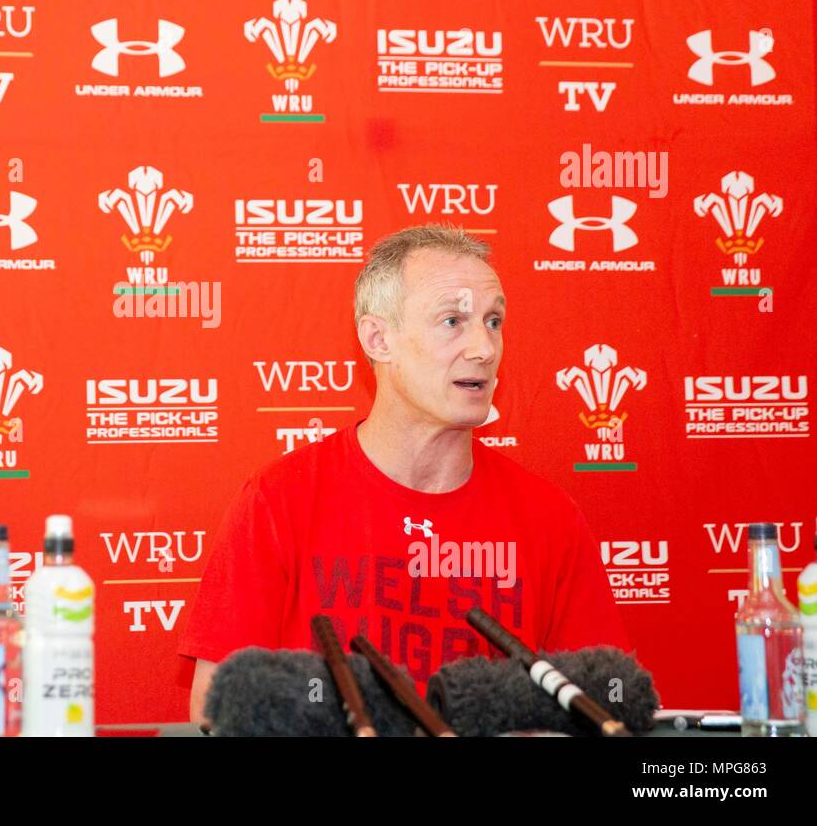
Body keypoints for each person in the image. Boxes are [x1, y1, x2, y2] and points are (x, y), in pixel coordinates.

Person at [178, 224, 629, 725]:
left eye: (494, 320)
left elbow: (601, 703)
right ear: (378, 339)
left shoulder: (549, 518)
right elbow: (214, 712)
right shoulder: (278, 500)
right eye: (453, 320)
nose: (484, 347)